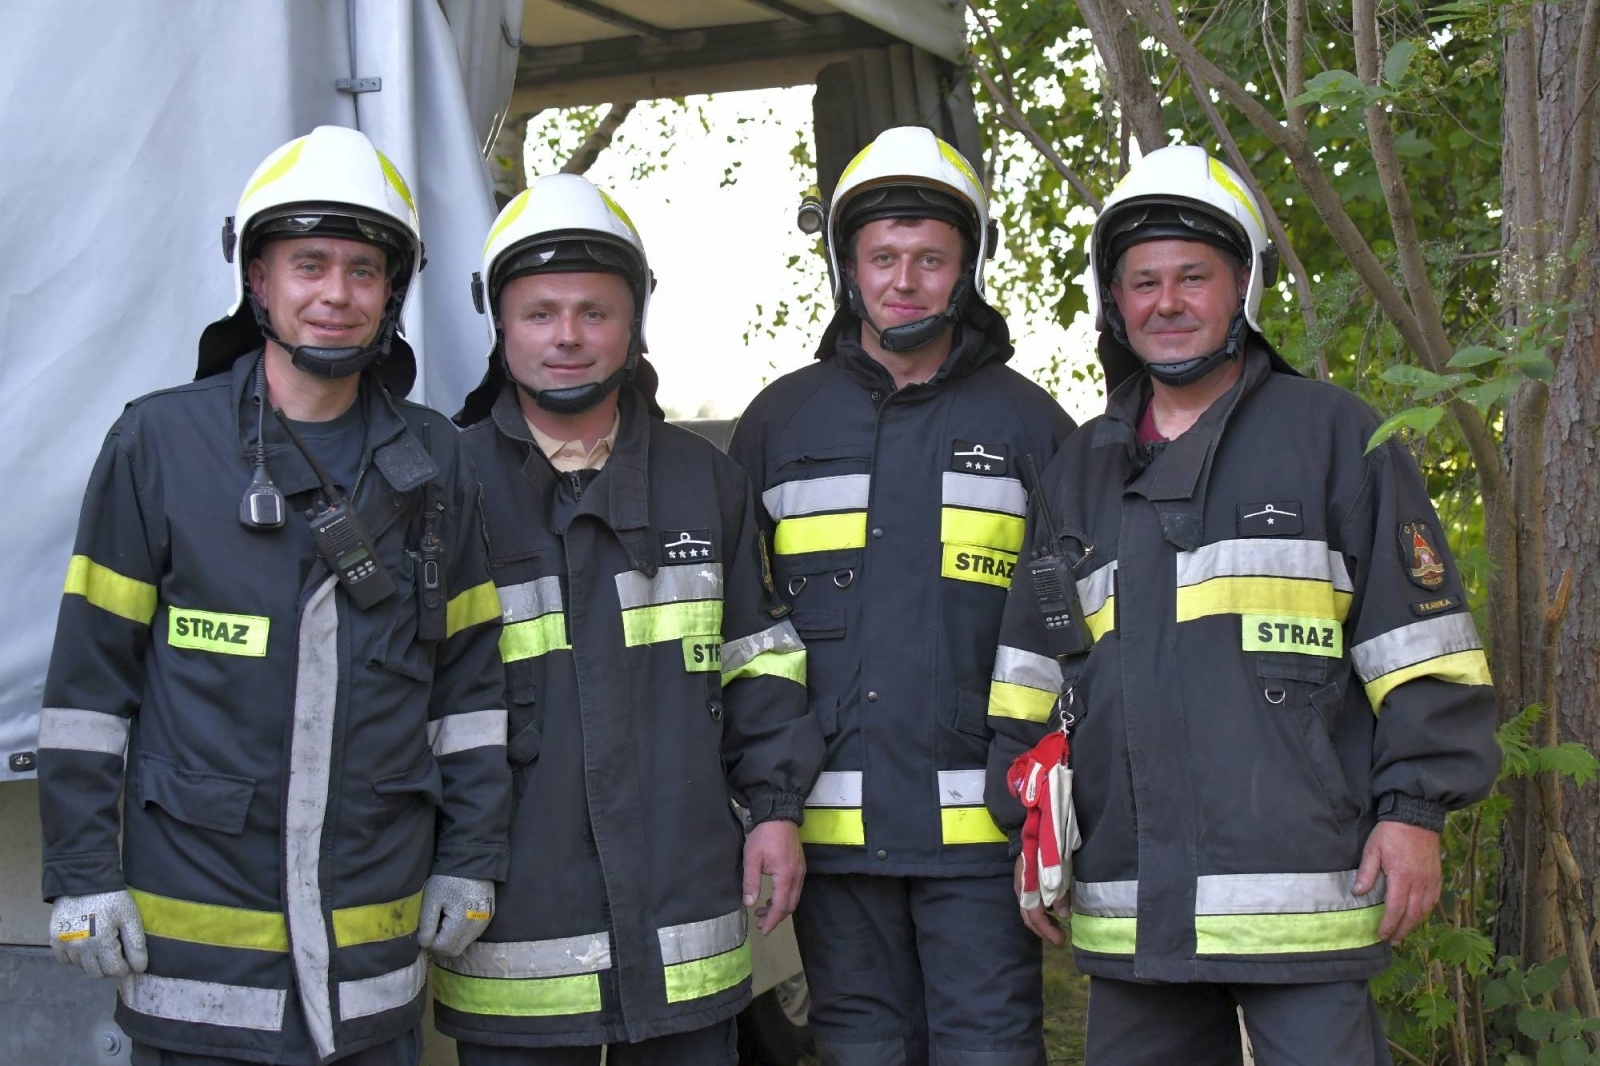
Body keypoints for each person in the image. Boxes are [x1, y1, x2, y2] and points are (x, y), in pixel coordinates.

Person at [987, 144, 1500, 1065]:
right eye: (1142, 282)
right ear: (1115, 303)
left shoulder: (1335, 438)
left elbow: (1423, 647)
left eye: (1193, 276)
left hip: (1304, 899)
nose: (1167, 302)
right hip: (1132, 903)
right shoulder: (1080, 470)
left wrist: (1416, 813)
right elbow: (1037, 671)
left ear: (1243, 288)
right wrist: (1028, 826)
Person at [37, 125, 511, 1066]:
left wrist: (471, 857)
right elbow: (91, 691)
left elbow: (470, 692)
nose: (336, 294)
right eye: (308, 264)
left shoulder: (441, 460)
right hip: (199, 948)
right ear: (258, 280)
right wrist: (84, 875)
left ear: (392, 294)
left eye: (364, 270)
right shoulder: (158, 445)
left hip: (370, 941)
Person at [436, 173, 825, 1066]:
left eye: (594, 312)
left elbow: (759, 662)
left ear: (634, 322)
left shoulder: (708, 483)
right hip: (515, 919)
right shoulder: (445, 488)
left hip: (681, 919)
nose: (567, 336)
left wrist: (773, 811)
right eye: (539, 313)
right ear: (498, 324)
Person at [729, 126, 1076, 1066]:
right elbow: (743, 631)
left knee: (991, 1051)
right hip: (830, 841)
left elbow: (1069, 632)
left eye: (931, 258)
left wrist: (1040, 808)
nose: (905, 280)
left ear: (965, 270)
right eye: (883, 257)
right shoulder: (779, 424)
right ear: (849, 266)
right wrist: (769, 805)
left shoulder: (1031, 427)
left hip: (982, 844)